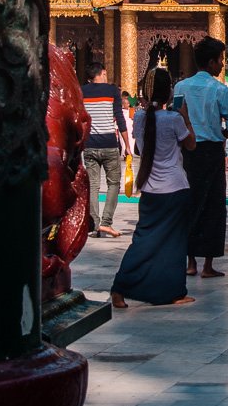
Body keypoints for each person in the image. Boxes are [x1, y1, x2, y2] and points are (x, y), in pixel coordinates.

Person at [110, 67, 196, 309]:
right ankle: (172, 291)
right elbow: (191, 145)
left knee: (143, 240)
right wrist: (186, 117)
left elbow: (139, 149)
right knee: (174, 243)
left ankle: (120, 287)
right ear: (169, 92)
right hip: (175, 187)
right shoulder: (174, 119)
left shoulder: (139, 117)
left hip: (149, 188)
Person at [180, 36, 228, 279]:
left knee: (190, 203)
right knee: (213, 206)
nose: (222, 65)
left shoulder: (180, 87)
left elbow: (176, 118)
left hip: (188, 152)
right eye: (221, 60)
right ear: (211, 62)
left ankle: (190, 262)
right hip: (212, 150)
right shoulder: (220, 89)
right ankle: (208, 265)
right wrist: (221, 134)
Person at [81, 61, 132, 238]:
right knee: (113, 184)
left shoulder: (82, 91)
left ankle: (94, 225)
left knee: (93, 186)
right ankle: (106, 223)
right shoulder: (112, 91)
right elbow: (120, 119)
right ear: (102, 73)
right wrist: (127, 146)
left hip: (90, 146)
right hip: (110, 144)